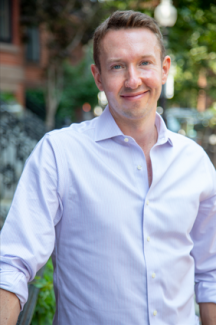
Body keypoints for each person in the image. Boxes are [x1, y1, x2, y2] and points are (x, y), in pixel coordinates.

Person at [0, 10, 216, 325]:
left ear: (164, 68)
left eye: (145, 62)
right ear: (98, 76)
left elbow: (210, 273)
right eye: (117, 66)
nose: (133, 79)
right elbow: (12, 265)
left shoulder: (194, 162)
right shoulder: (60, 154)